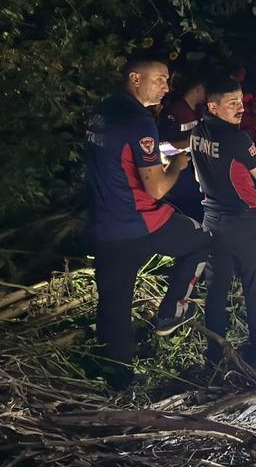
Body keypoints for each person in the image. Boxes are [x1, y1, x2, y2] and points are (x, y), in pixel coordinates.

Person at [83, 52, 211, 388]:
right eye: (159, 79)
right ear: (135, 78)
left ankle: (118, 375)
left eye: (167, 80)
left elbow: (131, 152)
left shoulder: (102, 112)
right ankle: (170, 313)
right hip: (142, 219)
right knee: (200, 242)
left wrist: (173, 147)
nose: (166, 87)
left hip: (105, 225)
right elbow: (155, 188)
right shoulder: (140, 122)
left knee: (113, 300)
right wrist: (178, 167)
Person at [190, 76, 256, 365]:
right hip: (243, 223)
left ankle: (214, 355)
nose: (240, 108)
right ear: (213, 106)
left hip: (211, 218)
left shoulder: (196, 131)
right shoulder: (237, 139)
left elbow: (200, 176)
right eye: (231, 103)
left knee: (216, 288)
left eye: (240, 101)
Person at [159, 74, 206, 221]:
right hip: (179, 181)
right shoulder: (173, 113)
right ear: (198, 89)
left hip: (196, 178)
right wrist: (187, 144)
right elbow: (161, 148)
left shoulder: (199, 112)